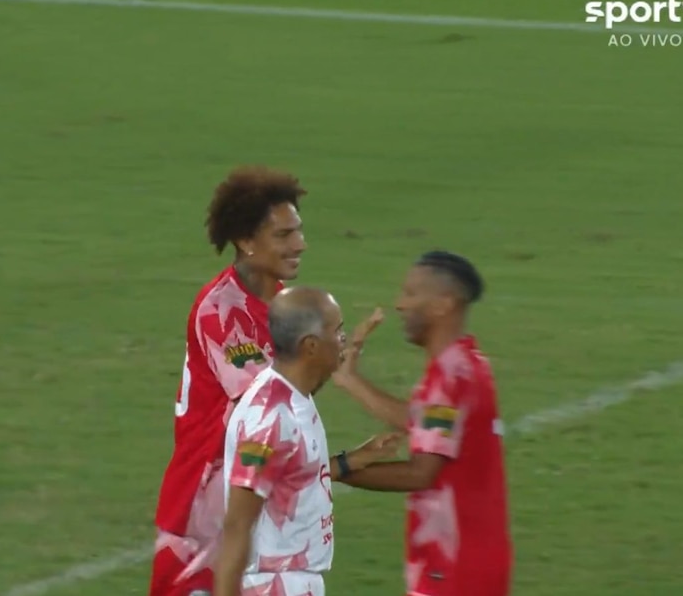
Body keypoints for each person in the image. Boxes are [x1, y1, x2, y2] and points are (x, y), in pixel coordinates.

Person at [150, 166, 308, 596]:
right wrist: (326, 360)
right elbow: (266, 400)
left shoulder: (279, 302)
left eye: (298, 231)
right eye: (283, 235)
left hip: (253, 495)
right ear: (246, 241)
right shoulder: (222, 310)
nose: (299, 244)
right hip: (203, 512)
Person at [333, 251, 512, 596]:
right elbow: (423, 421)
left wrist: (334, 471)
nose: (400, 304)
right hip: (466, 560)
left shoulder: (450, 376)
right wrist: (350, 380)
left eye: (412, 293)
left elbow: (420, 473)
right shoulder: (465, 364)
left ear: (443, 304)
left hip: (454, 567)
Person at [214, 287, 403, 596]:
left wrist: (348, 462)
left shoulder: (292, 395)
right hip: (275, 584)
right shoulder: (270, 420)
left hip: (292, 579)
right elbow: (237, 525)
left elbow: (290, 476)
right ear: (311, 346)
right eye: (338, 331)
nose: (344, 339)